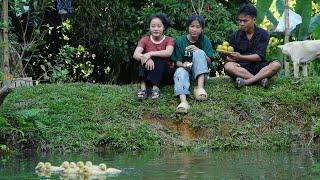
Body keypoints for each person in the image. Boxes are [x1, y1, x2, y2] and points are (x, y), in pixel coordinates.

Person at [223, 4, 281, 89]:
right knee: (228, 66)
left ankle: (246, 81)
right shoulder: (235, 35)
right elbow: (232, 58)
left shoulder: (263, 34)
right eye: (240, 21)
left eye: (245, 21)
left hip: (259, 66)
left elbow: (259, 57)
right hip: (241, 67)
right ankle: (259, 80)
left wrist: (240, 57)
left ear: (254, 20)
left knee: (276, 64)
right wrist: (226, 56)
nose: (242, 24)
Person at [171, 15, 215, 113]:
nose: (194, 29)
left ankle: (200, 88)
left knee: (200, 53)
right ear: (188, 27)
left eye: (197, 27)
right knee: (179, 71)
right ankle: (183, 102)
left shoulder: (205, 40)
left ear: (202, 29)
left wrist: (199, 51)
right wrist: (183, 65)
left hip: (200, 73)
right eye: (192, 26)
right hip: (185, 71)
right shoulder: (180, 41)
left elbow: (209, 61)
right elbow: (177, 62)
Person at [133, 13, 175, 100]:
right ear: (149, 27)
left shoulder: (169, 40)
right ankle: (143, 87)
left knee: (158, 58)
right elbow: (136, 54)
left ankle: (155, 88)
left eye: (159, 26)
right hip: (149, 72)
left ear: (164, 27)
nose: (156, 29)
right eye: (153, 26)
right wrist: (146, 58)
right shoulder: (145, 39)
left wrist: (150, 54)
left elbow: (168, 52)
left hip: (165, 74)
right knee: (142, 58)